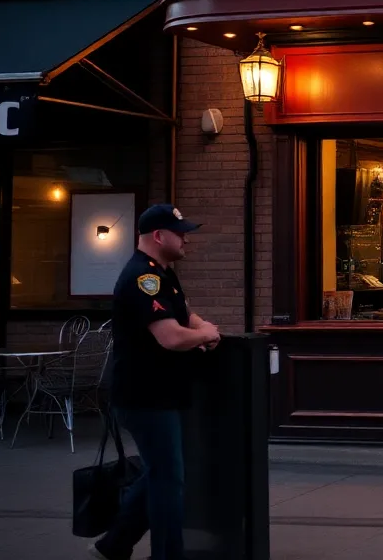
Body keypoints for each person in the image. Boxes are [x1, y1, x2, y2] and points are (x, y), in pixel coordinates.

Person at [90, 204, 221, 560]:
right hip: (145, 396)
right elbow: (170, 337)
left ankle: (113, 545)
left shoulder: (163, 274)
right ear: (159, 236)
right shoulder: (142, 277)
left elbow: (184, 315)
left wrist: (201, 327)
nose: (186, 241)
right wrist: (202, 334)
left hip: (162, 392)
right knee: (168, 481)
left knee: (160, 474)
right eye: (181, 234)